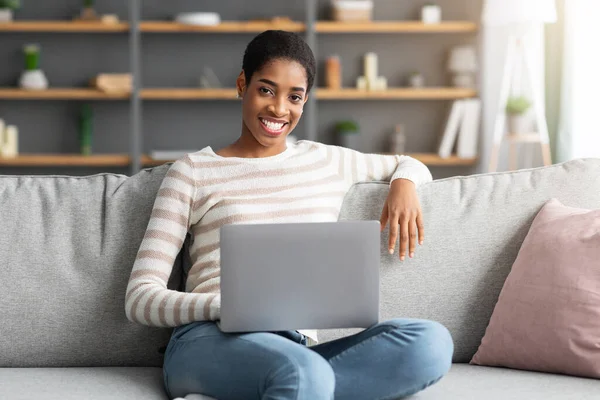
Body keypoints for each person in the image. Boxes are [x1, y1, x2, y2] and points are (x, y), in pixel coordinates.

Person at [125, 30, 453, 400]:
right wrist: (233, 307)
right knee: (303, 372)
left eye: (294, 97)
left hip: (294, 347)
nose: (279, 109)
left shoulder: (325, 160)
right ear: (242, 85)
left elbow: (407, 162)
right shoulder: (192, 172)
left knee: (430, 343)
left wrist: (404, 185)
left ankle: (294, 390)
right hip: (207, 339)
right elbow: (139, 298)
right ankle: (299, 385)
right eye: (266, 90)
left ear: (305, 101)